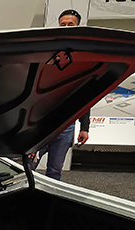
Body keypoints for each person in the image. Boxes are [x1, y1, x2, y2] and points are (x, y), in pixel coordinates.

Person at [28, 9, 89, 178]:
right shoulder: (48, 50)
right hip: (42, 124)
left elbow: (85, 94)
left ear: (78, 26)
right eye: (63, 24)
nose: (67, 27)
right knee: (28, 167)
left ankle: (48, 203)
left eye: (71, 24)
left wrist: (84, 128)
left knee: (55, 171)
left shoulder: (84, 55)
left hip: (65, 126)